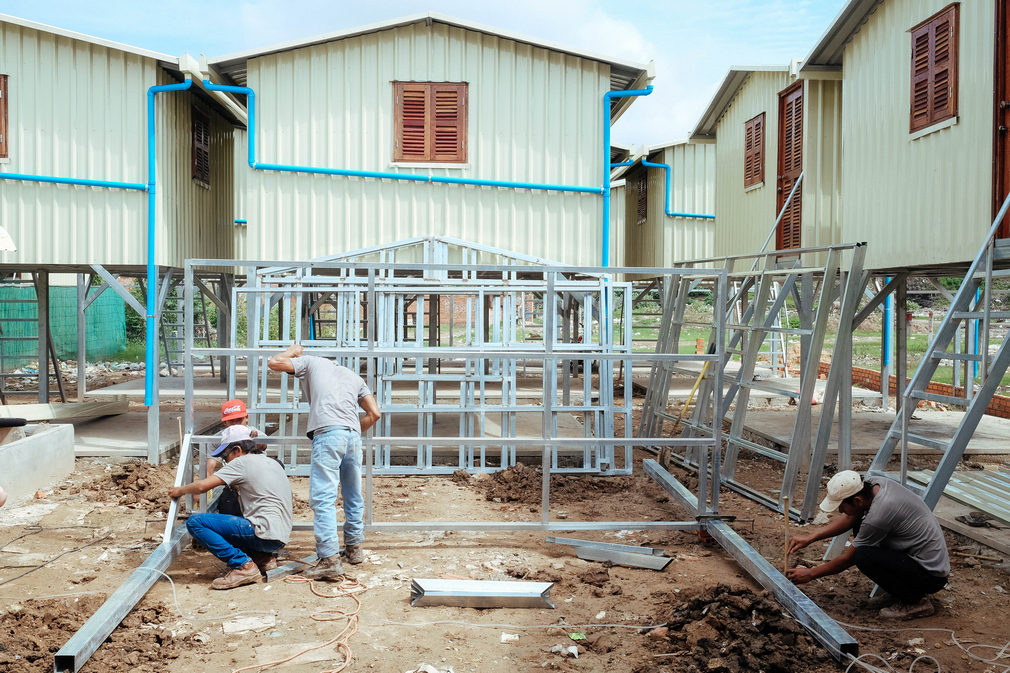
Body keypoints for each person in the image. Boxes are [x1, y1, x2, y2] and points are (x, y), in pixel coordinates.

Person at [267, 343, 381, 581]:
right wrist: (350, 432)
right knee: (352, 494)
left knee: (323, 498)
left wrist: (293, 351)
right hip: (352, 436)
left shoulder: (309, 363)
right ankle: (354, 547)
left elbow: (274, 362)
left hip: (328, 433)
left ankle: (329, 559)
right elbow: (375, 413)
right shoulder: (353, 376)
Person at [786, 470, 950, 619]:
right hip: (912, 558)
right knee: (860, 527)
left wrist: (811, 574)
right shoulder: (873, 485)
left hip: (930, 575)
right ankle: (899, 592)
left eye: (841, 507)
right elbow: (851, 517)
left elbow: (848, 559)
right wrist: (811, 537)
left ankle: (915, 601)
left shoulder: (879, 515)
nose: (840, 512)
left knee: (863, 556)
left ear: (857, 500)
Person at [169, 438, 293, 590]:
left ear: (238, 450)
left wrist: (178, 491)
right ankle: (263, 557)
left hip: (263, 533)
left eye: (226, 457)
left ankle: (243, 565)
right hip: (280, 537)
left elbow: (202, 486)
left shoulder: (242, 462)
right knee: (235, 511)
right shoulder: (272, 462)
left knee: (196, 522)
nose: (226, 462)